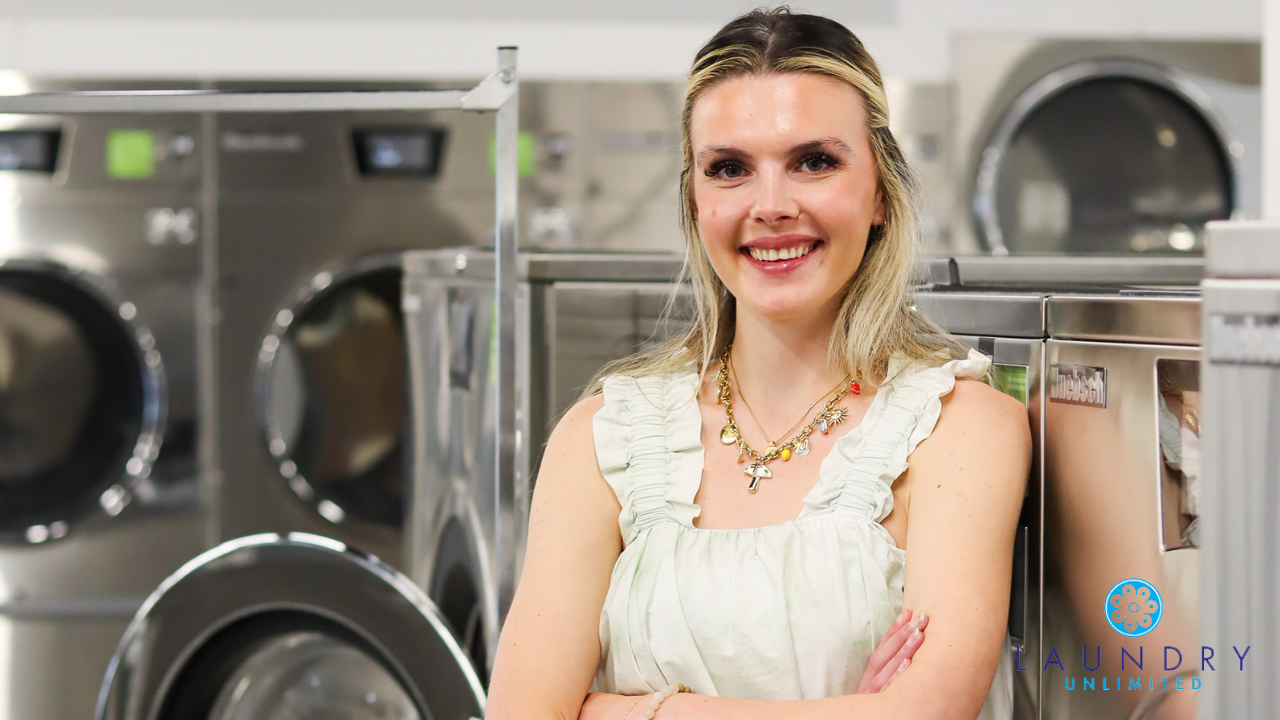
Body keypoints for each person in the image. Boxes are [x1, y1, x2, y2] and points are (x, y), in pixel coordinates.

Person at [485, 7, 1031, 719]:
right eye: (729, 169)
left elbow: (925, 713)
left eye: (814, 162)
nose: (770, 206)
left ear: (880, 193)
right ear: (695, 200)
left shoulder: (960, 428)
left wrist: (622, 710)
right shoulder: (605, 438)